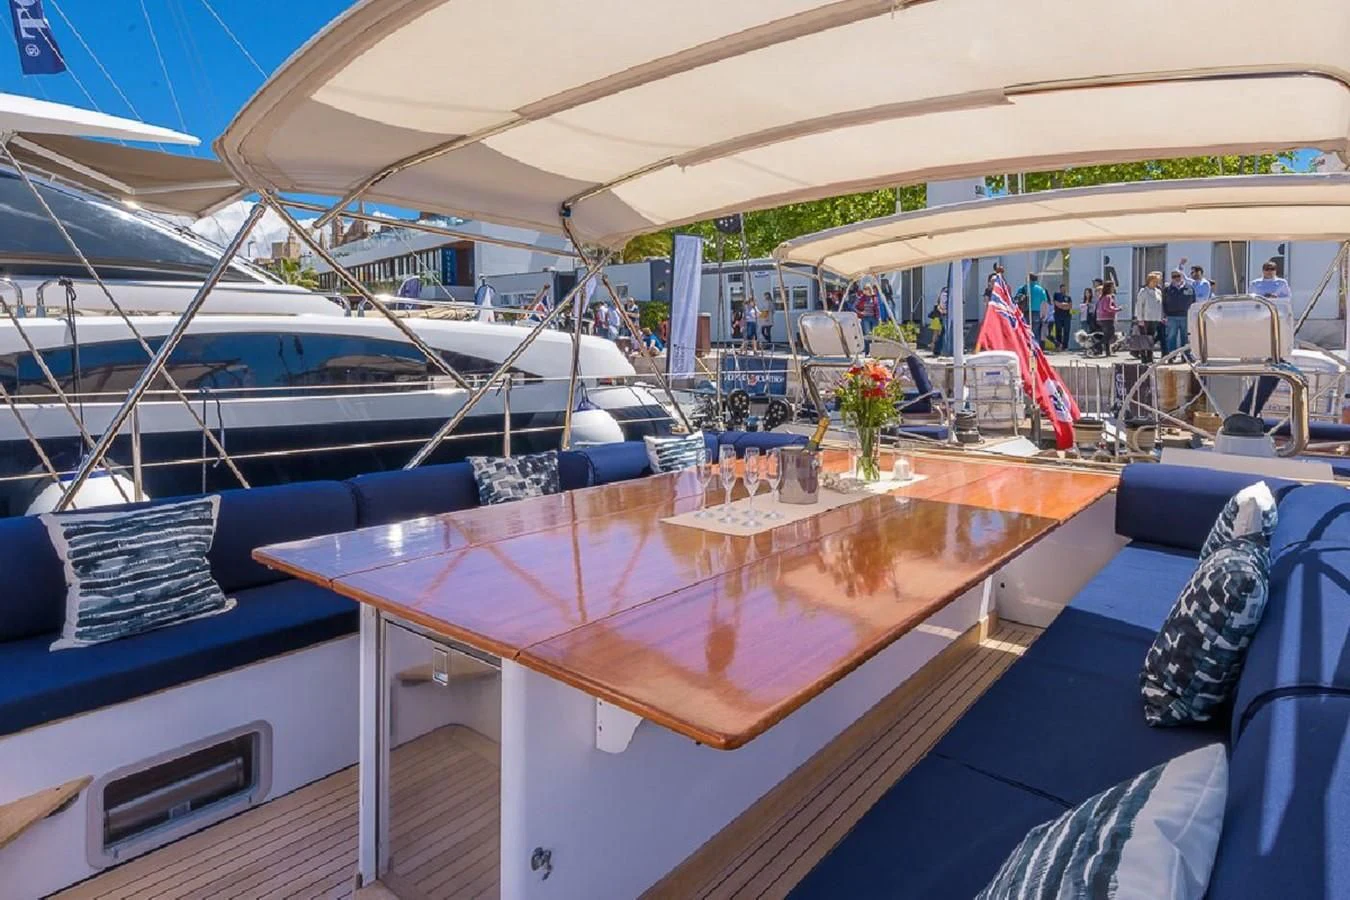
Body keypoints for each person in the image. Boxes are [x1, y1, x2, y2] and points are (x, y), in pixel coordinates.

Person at [1162, 268, 1197, 353]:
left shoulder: (1189, 288)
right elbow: (1164, 303)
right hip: (1171, 317)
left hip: (1186, 316)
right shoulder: (1167, 289)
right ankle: (1171, 356)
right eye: (1174, 276)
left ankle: (1186, 356)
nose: (1176, 278)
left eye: (1178, 276)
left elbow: (1193, 301)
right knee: (1171, 337)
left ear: (1182, 276)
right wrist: (1165, 315)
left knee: (1185, 337)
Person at [1134, 271, 1164, 351]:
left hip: (1155, 318)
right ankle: (1144, 357)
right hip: (1145, 319)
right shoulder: (1143, 291)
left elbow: (1159, 305)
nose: (1156, 283)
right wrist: (1140, 319)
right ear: (1149, 281)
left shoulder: (1158, 292)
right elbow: (1139, 306)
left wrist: (1161, 317)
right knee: (1144, 338)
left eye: (1157, 282)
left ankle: (1150, 356)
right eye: (1154, 281)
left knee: (1152, 338)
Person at [1096, 281, 1120, 356]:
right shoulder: (1108, 297)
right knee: (1110, 334)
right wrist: (1117, 309)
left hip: (1102, 318)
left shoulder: (1102, 297)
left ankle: (1107, 352)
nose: (1114, 288)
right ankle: (1097, 345)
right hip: (1107, 318)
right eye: (1113, 287)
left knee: (1106, 334)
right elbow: (1107, 308)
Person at [1052, 283, 1073, 350]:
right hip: (1058, 315)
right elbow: (1057, 304)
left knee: (1066, 331)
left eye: (1064, 288)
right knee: (1058, 331)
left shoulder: (1068, 297)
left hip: (1067, 316)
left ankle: (1065, 346)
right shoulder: (1056, 295)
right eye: (1062, 288)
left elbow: (1069, 306)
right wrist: (1063, 305)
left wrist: (1063, 306)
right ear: (1060, 289)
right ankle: (1058, 346)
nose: (1063, 290)